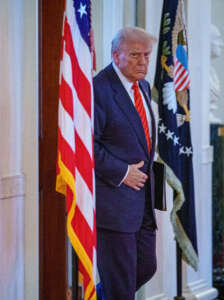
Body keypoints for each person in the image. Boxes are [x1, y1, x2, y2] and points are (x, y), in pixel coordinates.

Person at [94, 27, 157, 300]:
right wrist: (121, 172)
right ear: (115, 55)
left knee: (146, 267)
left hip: (143, 200)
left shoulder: (142, 85)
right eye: (135, 55)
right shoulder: (99, 88)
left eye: (146, 55)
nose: (143, 62)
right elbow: (86, 146)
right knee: (120, 282)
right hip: (114, 201)